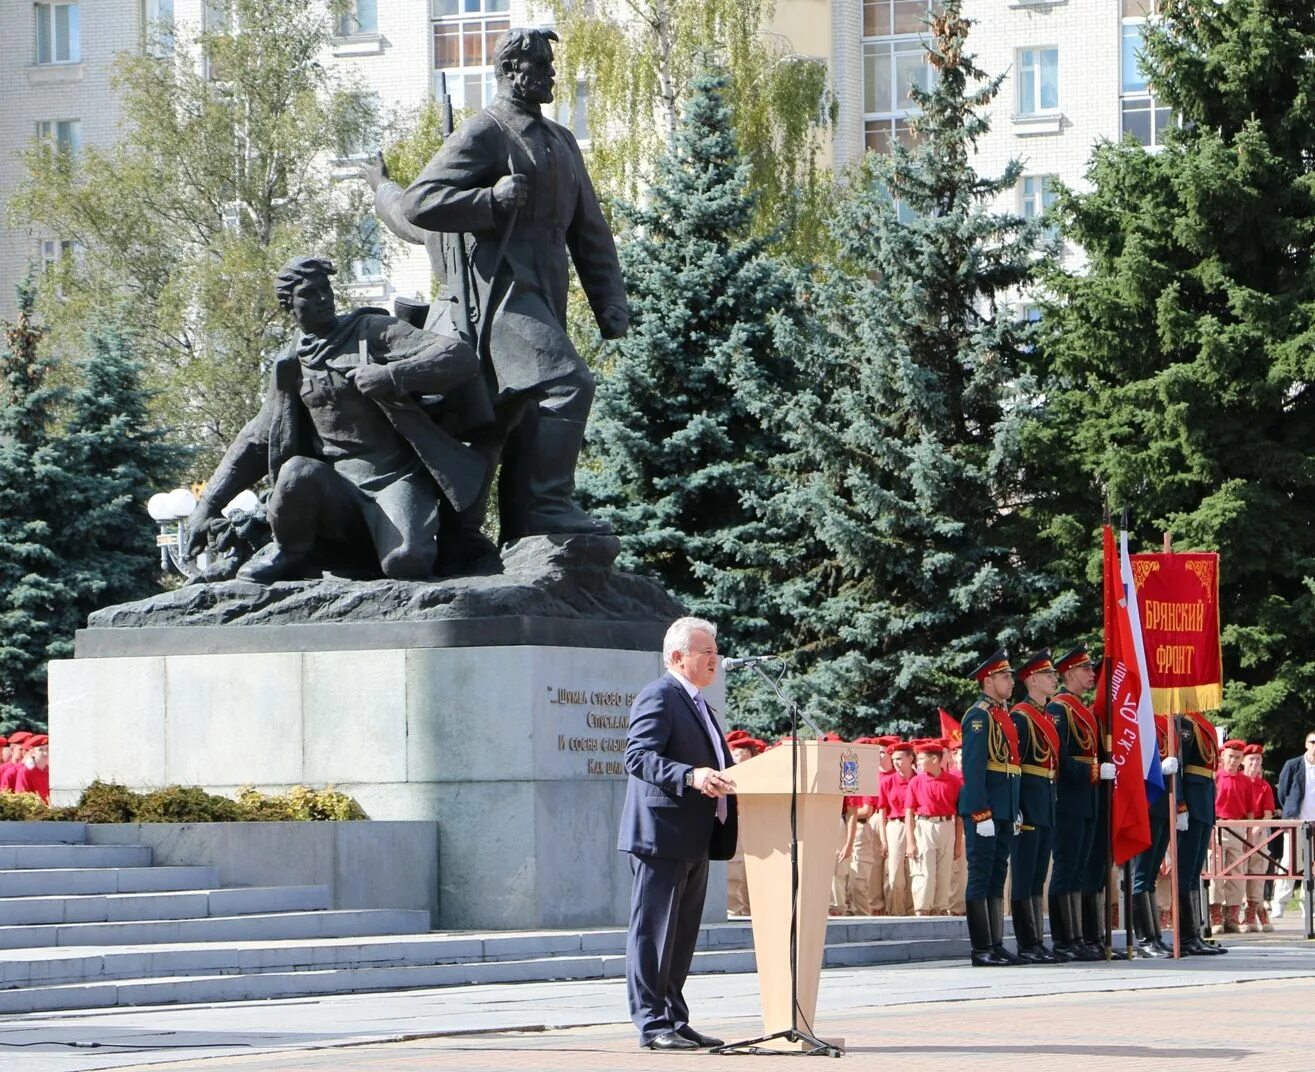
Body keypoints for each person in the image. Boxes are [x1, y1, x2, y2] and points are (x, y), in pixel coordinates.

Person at [400, 27, 628, 543]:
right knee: (568, 383)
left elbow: (589, 229)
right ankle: (549, 505)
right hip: (499, 292)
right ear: (510, 70)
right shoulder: (486, 131)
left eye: (550, 64)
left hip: (546, 289)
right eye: (541, 65)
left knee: (521, 413)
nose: (551, 74)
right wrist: (489, 201)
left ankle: (525, 529)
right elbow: (418, 201)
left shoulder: (562, 141)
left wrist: (609, 301)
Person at [184, 256, 481, 582]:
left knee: (407, 562)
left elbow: (460, 357)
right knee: (296, 472)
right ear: (289, 305)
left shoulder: (371, 332)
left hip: (395, 479)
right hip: (334, 489)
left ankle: (384, 548)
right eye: (309, 294)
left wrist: (392, 375)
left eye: (325, 290)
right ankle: (290, 551)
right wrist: (207, 505)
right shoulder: (289, 364)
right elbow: (259, 436)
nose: (323, 298)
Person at [617, 616, 737, 1051]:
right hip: (660, 836)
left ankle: (674, 1017)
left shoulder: (700, 702)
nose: (715, 658)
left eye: (715, 650)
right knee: (654, 933)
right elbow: (637, 757)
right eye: (706, 651)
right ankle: (652, 1024)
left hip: (694, 835)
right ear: (676, 657)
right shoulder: (660, 695)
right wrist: (691, 775)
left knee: (681, 935)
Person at [959, 648, 1022, 967]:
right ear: (988, 680)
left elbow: (1011, 767)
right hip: (985, 811)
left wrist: (1013, 808)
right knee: (981, 876)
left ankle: (996, 944)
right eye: (1004, 676)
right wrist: (980, 812)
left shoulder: (1002, 714)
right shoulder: (979, 716)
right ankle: (981, 947)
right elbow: (973, 768)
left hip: (1003, 808)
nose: (1011, 681)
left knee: (997, 876)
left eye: (1010, 675)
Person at [1045, 646, 1102, 961]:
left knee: (1080, 870)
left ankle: (1079, 937)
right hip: (1068, 798)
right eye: (1085, 669)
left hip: (1087, 798)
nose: (1092, 674)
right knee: (1066, 869)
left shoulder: (1083, 709)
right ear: (1068, 674)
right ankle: (1064, 939)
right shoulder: (1059, 709)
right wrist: (1093, 770)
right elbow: (1059, 758)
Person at [1009, 651, 1062, 963]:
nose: (1054, 679)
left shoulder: (1043, 715)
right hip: (1029, 805)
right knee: (1025, 874)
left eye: (1054, 674)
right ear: (1030, 680)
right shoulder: (1021, 717)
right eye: (1048, 675)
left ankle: (1037, 940)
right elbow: (1016, 765)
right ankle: (1027, 942)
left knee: (1038, 875)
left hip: (1046, 802)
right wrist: (1017, 807)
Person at [1129, 715, 1181, 957]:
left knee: (1150, 875)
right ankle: (1144, 939)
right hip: (1144, 805)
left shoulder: (1164, 721)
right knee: (1140, 875)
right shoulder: (1139, 718)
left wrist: (1180, 805)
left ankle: (1155, 936)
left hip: (1161, 806)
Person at [1176, 712, 1227, 954]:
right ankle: (1185, 936)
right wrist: (1180, 804)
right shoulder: (1182, 724)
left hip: (1204, 801)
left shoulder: (1201, 723)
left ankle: (1194, 933)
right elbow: (1178, 769)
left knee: (1194, 871)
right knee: (1185, 872)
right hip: (1192, 803)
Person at [904, 741, 962, 917]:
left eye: (921, 759)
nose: (918, 762)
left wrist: (958, 843)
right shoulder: (915, 782)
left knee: (944, 872)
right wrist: (910, 843)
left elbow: (959, 815)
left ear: (935, 759)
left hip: (946, 826)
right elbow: (909, 813)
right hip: (924, 826)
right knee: (924, 872)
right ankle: (922, 908)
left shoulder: (954, 782)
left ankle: (940, 907)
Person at [1211, 739, 1252, 934]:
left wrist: (1249, 836)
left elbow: (1251, 810)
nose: (1234, 761)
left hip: (1239, 826)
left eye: (1237, 757)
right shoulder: (1216, 777)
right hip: (1218, 825)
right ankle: (1215, 914)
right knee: (1216, 872)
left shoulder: (1245, 780)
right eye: (1230, 756)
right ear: (1222, 757)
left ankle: (1232, 916)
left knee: (1238, 874)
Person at [1273, 729, 1315, 917]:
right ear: (1306, 744)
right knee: (1289, 862)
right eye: (1313, 742)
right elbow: (1283, 792)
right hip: (1296, 822)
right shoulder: (1293, 764)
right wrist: (1290, 812)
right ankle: (1279, 904)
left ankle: (1310, 905)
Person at [724, 733, 761, 917]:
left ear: (747, 753)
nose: (732, 756)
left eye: (736, 752)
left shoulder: (757, 772)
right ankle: (735, 910)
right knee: (735, 868)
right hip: (737, 819)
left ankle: (748, 910)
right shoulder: (730, 772)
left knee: (750, 870)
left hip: (754, 822)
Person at [880, 741, 916, 916]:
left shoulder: (919, 779)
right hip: (895, 825)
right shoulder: (887, 782)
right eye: (894, 759)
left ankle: (912, 913)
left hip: (917, 825)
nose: (896, 763)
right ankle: (896, 913)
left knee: (915, 873)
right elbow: (882, 812)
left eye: (900, 758)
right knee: (894, 875)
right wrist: (883, 840)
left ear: (910, 758)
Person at [1242, 744, 1276, 932]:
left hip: (1258, 832)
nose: (1255, 764)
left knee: (1257, 873)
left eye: (1258, 760)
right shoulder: (1237, 781)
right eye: (1251, 759)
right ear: (1243, 762)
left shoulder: (1264, 786)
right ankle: (1225, 915)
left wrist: (1253, 833)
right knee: (1233, 876)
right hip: (1236, 831)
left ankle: (1253, 911)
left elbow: (1268, 814)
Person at [14, 736, 49, 803]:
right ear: (33, 753)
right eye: (40, 750)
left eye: (47, 749)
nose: (45, 753)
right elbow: (22, 797)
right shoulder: (25, 771)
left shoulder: (51, 771)